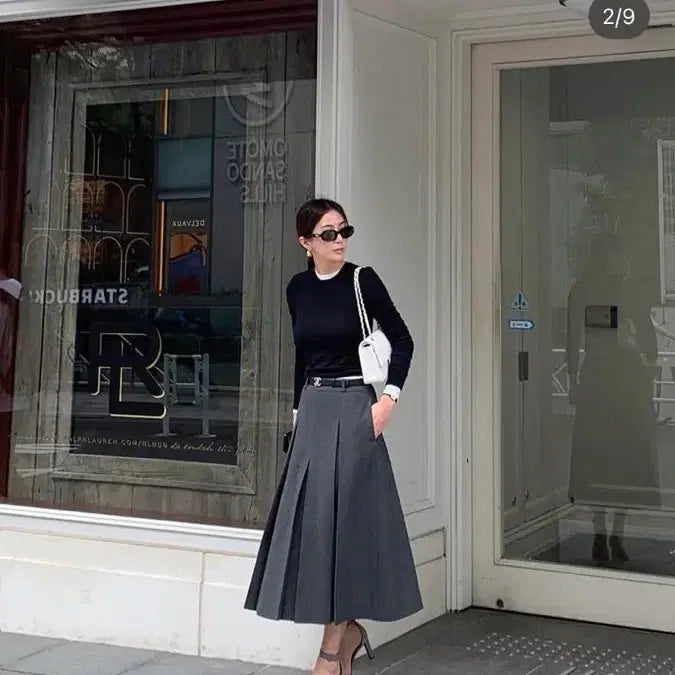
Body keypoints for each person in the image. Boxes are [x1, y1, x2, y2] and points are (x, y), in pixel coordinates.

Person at [244, 198, 422, 674]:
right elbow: (301, 357)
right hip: (315, 409)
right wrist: (297, 413)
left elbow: (403, 340)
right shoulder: (298, 289)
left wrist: (388, 400)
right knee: (319, 529)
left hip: (356, 406)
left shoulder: (363, 281)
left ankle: (329, 653)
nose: (339, 240)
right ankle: (348, 636)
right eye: (328, 234)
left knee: (347, 530)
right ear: (306, 243)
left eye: (344, 231)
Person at [567, 232, 659, 566]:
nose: (626, 261)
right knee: (624, 457)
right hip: (625, 383)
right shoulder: (629, 289)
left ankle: (599, 532)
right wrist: (644, 356)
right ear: (612, 257)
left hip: (595, 380)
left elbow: (572, 337)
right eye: (623, 254)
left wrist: (573, 377)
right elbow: (648, 338)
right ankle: (617, 535)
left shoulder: (581, 290)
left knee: (596, 454)